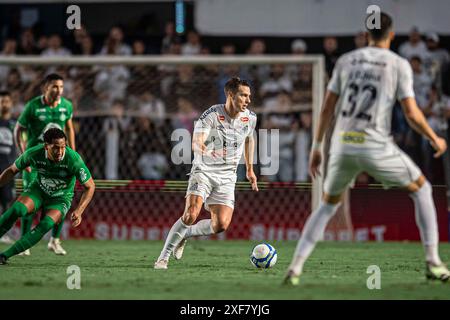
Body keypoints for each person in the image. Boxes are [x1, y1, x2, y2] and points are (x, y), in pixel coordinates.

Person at [284, 12, 450, 285]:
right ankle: (433, 261)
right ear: (392, 34)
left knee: (326, 206)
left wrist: (316, 146)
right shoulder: (397, 63)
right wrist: (435, 137)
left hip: (341, 144)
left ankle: (295, 268)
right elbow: (411, 113)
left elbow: (327, 108)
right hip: (374, 144)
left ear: (366, 34)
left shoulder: (347, 60)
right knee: (423, 189)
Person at [154, 77, 259, 269]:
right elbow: (196, 142)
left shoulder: (250, 118)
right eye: (243, 95)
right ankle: (163, 257)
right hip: (204, 170)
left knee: (221, 225)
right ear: (230, 94)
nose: (248, 100)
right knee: (190, 214)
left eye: (249, 96)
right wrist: (209, 151)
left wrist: (250, 170)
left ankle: (185, 234)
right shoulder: (211, 114)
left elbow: (249, 140)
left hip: (228, 176)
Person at [0, 128, 95, 265]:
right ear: (46, 146)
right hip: (38, 190)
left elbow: (90, 186)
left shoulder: (73, 159)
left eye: (63, 147)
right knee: (17, 210)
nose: (60, 151)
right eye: (56, 147)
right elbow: (12, 170)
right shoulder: (34, 153)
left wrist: (79, 211)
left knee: (46, 224)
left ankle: (4, 256)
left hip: (60, 198)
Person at [15, 73, 76, 256]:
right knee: (30, 201)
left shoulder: (66, 106)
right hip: (35, 162)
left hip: (59, 163)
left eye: (61, 87)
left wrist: (73, 153)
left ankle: (54, 241)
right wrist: (23, 155)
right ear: (45, 88)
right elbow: (19, 130)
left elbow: (69, 128)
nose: (58, 91)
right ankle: (25, 242)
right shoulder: (33, 106)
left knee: (61, 198)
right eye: (54, 87)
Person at [0, 91, 16, 244]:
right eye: (1, 101)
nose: (3, 104)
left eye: (6, 101)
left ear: (11, 103)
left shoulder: (15, 124)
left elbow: (20, 144)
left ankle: (2, 233)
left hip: (8, 168)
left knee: (7, 201)